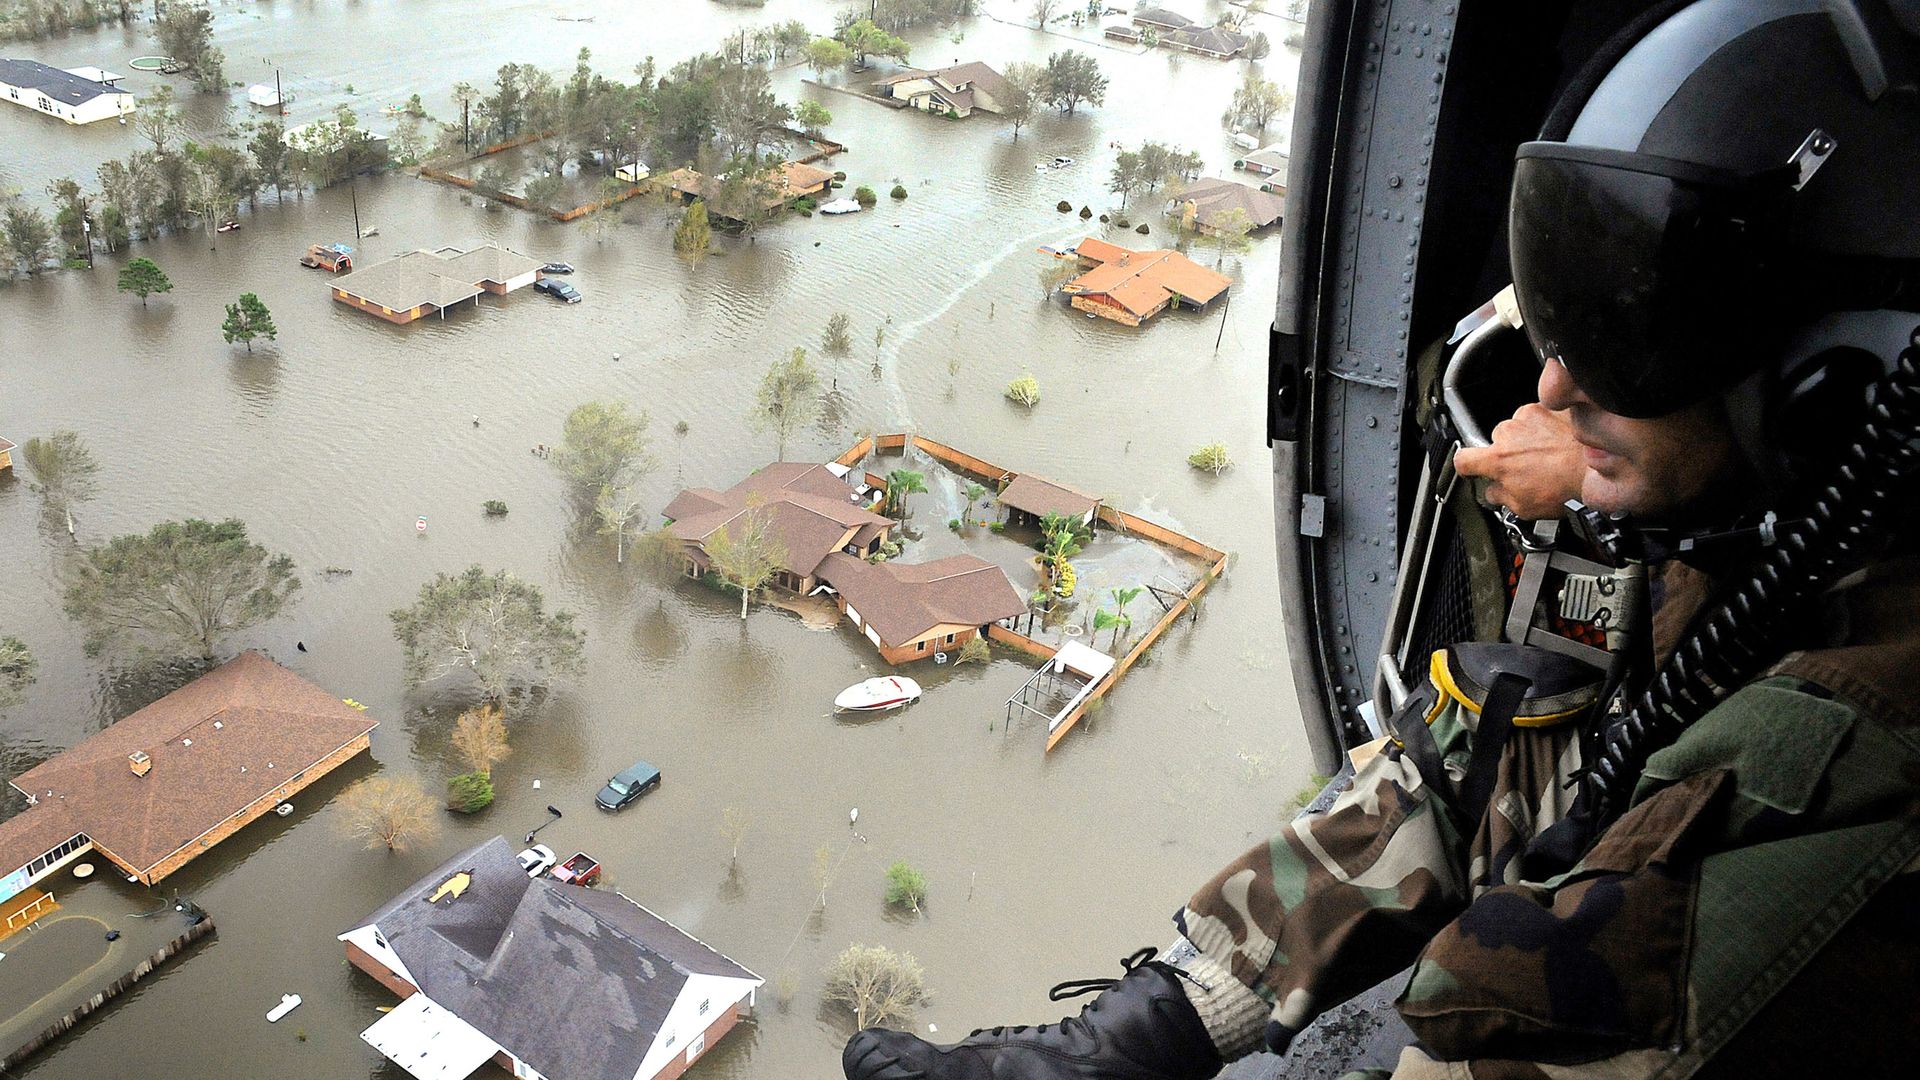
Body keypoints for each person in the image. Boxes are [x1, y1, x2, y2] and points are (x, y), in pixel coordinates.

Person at [842, 3, 1920, 1077]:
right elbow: (1500, 776)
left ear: (1833, 381)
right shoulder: (1779, 556)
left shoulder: (1855, 764)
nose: (1551, 387)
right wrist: (1134, 1043)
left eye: (1628, 341)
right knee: (1504, 714)